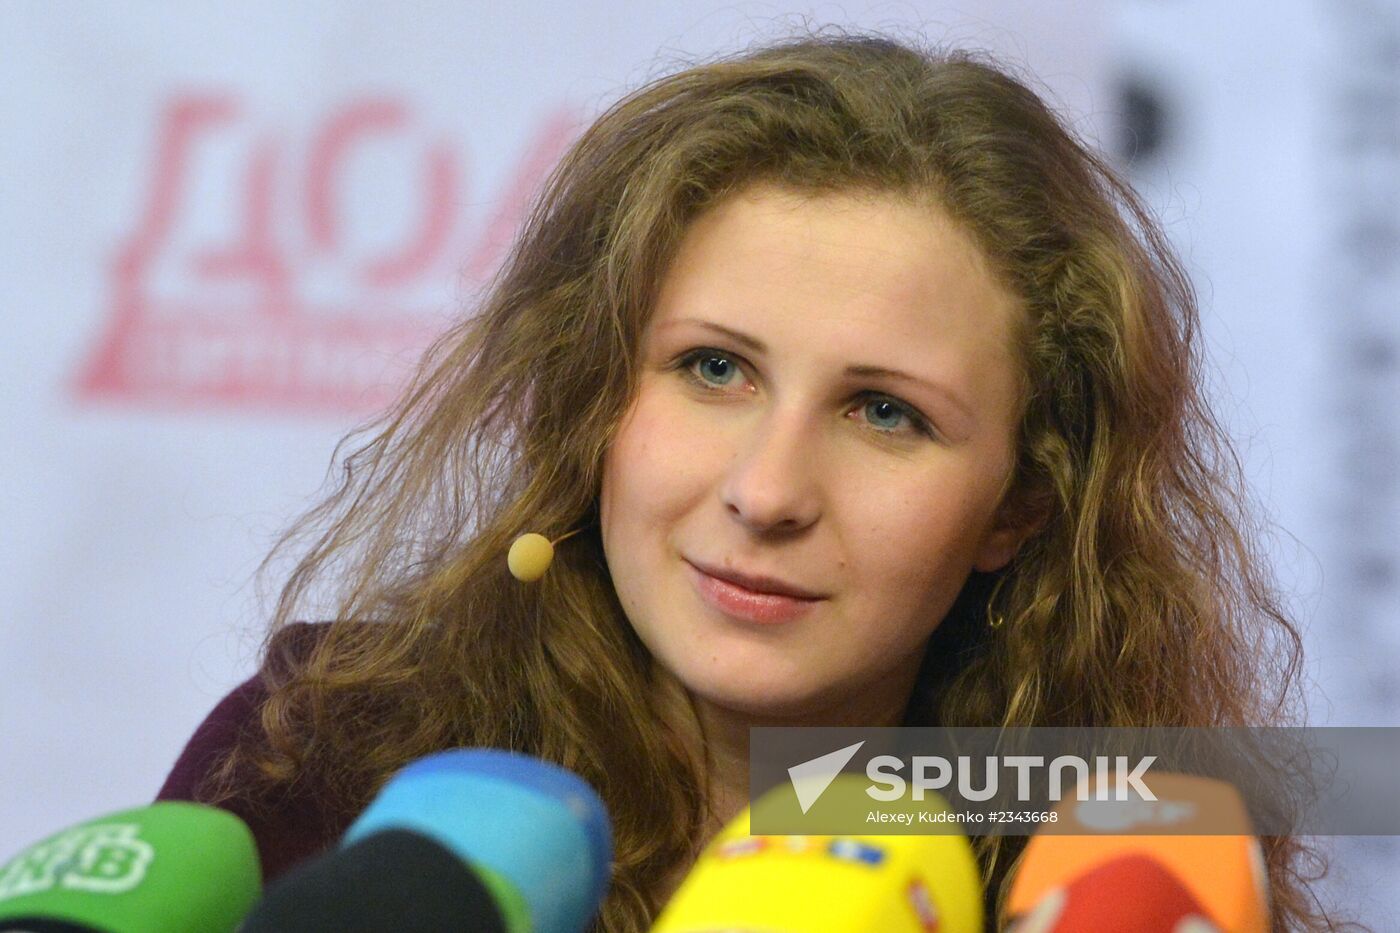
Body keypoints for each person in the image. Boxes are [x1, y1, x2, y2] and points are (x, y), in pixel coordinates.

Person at [158, 30, 1342, 931]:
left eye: (886, 414)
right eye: (711, 369)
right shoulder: (334, 756)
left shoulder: (1105, 864)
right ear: (595, 399)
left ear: (1019, 507)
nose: (767, 492)